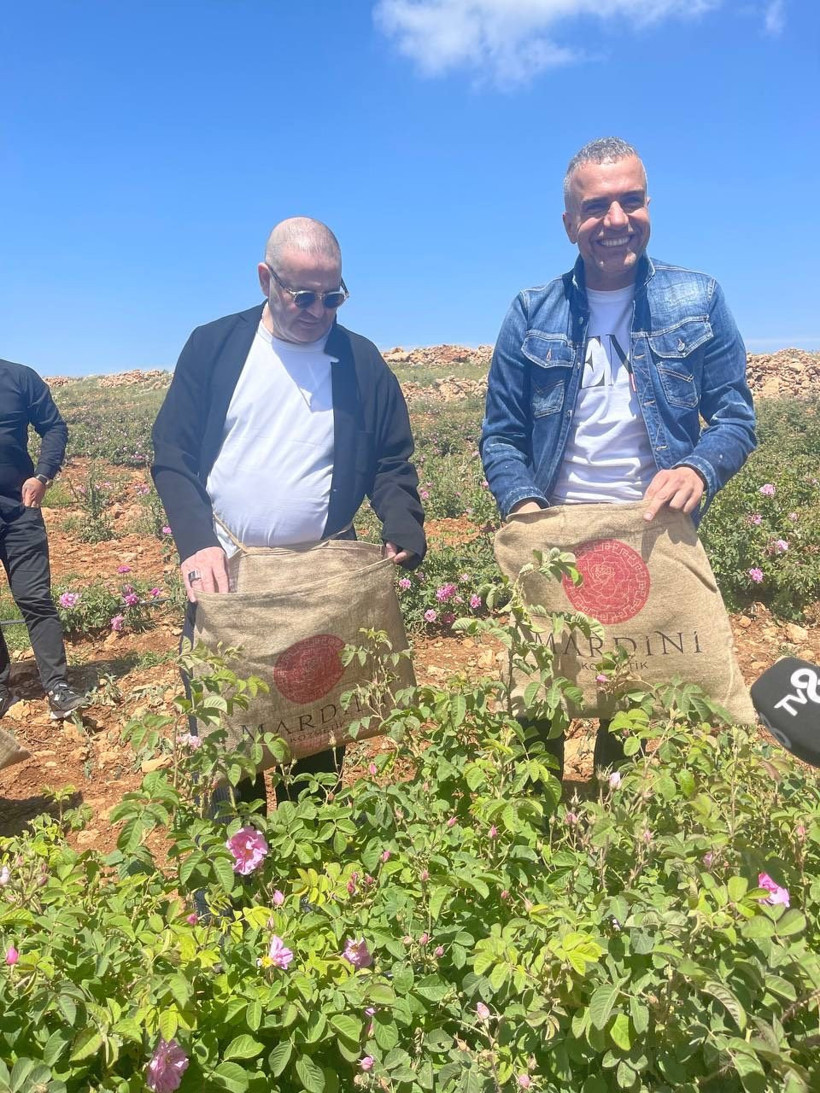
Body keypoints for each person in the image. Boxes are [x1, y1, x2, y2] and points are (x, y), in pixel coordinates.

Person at [480, 136, 756, 777]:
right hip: (556, 539)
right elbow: (501, 434)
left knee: (635, 708)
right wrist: (524, 510)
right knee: (540, 711)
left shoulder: (698, 298)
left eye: (630, 201)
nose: (615, 220)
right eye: (596, 206)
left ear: (648, 205)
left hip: (652, 535)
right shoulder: (531, 312)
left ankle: (614, 845)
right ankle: (537, 840)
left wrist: (697, 468)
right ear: (570, 221)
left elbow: (736, 417)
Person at [152, 216, 426, 810]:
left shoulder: (362, 361)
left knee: (316, 732)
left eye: (333, 297)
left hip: (320, 580)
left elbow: (390, 459)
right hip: (232, 576)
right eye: (302, 295)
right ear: (264, 280)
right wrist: (196, 542)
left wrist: (402, 523)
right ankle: (234, 889)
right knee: (232, 739)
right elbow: (171, 456)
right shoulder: (215, 346)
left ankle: (310, 881)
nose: (318, 310)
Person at [0, 359, 86, 720]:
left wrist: (43, 476)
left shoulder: (19, 378)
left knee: (34, 598)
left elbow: (53, 427)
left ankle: (57, 686)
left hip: (18, 508)